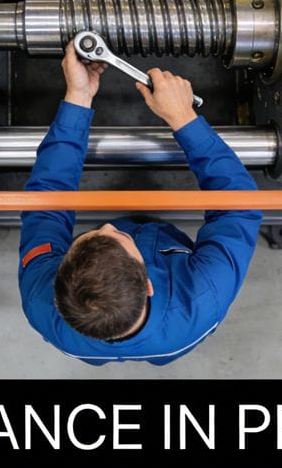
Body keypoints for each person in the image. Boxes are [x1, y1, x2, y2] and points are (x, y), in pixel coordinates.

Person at [17, 40, 262, 365]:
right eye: (119, 237)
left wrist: (78, 97)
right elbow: (239, 206)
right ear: (148, 284)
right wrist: (184, 118)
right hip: (172, 332)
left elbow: (48, 198)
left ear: (58, 281)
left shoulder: (40, 299)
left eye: (94, 234)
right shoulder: (202, 297)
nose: (107, 225)